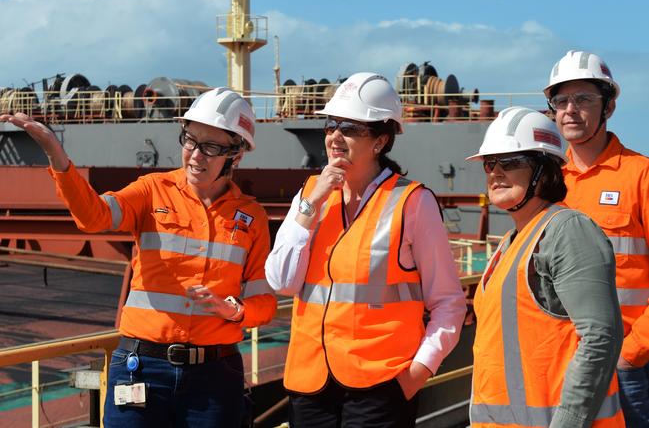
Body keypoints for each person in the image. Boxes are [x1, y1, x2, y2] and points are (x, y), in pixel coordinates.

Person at [0, 87, 277, 427]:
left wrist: (234, 310)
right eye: (190, 140)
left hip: (214, 376)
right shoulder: (151, 191)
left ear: (236, 156)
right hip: (142, 367)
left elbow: (264, 301)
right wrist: (57, 156)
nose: (195, 155)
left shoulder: (252, 218)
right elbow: (94, 216)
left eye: (211, 148)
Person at [265, 72, 466, 427]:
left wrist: (417, 374)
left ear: (380, 141)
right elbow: (282, 281)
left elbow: (449, 302)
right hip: (310, 384)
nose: (335, 137)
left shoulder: (412, 203)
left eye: (352, 128)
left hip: (380, 390)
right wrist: (310, 205)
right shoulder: (310, 196)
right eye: (331, 125)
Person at [466, 106, 625, 427]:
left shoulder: (567, 231)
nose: (495, 172)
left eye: (510, 163)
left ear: (545, 171)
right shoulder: (513, 240)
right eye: (489, 163)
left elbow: (600, 336)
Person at [544, 50, 649, 427]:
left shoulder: (640, 176)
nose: (570, 110)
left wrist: (632, 352)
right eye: (561, 101)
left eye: (583, 99)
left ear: (608, 108)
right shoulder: (549, 182)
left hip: (625, 370)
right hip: (560, 364)